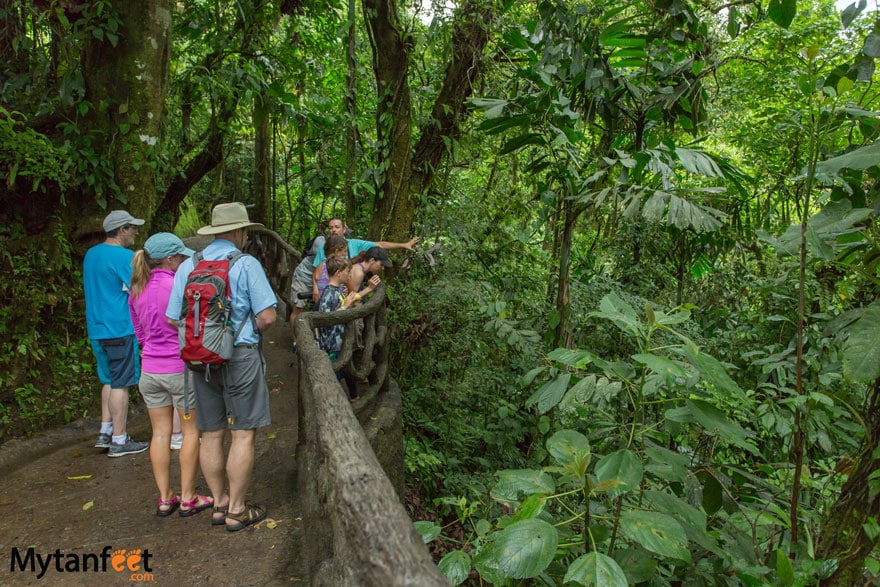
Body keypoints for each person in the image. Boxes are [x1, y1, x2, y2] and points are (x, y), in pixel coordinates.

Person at [165, 202, 277, 532]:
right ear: (239, 232)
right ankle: (238, 510)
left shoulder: (189, 265)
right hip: (240, 355)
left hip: (200, 360)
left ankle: (219, 503)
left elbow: (174, 317)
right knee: (242, 433)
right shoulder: (246, 264)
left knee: (211, 433)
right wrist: (246, 329)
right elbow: (268, 316)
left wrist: (204, 339)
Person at [129, 232, 213, 517]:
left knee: (160, 433)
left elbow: (139, 333)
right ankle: (188, 497)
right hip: (178, 370)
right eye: (180, 257)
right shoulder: (176, 286)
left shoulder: (137, 288)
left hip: (149, 370)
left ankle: (165, 497)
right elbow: (190, 324)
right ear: (170, 259)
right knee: (190, 433)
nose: (183, 261)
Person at [83, 210, 150, 458]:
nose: (136, 232)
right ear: (122, 230)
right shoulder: (125, 256)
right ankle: (120, 441)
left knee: (109, 379)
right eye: (133, 228)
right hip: (120, 327)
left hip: (97, 328)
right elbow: (140, 289)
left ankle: (105, 430)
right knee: (121, 383)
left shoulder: (91, 255)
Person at [317, 256, 379, 399]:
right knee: (333, 377)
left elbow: (349, 301)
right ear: (338, 273)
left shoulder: (338, 290)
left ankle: (353, 397)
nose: (350, 274)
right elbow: (325, 317)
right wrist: (345, 306)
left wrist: (369, 289)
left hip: (341, 343)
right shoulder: (328, 293)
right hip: (332, 346)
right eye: (347, 271)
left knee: (345, 370)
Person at [310, 217, 420, 268]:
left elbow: (380, 244)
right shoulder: (323, 247)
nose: (333, 230)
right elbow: (317, 270)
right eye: (331, 228)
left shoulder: (354, 243)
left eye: (337, 227)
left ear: (344, 229)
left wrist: (404, 245)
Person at [288, 234, 325, 352]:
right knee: (298, 308)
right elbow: (320, 262)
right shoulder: (321, 242)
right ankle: (296, 342)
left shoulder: (343, 244)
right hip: (304, 277)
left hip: (320, 279)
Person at [311, 234, 349, 303]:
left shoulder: (341, 266)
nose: (346, 254)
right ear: (337, 251)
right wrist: (315, 287)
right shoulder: (322, 264)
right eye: (344, 251)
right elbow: (314, 276)